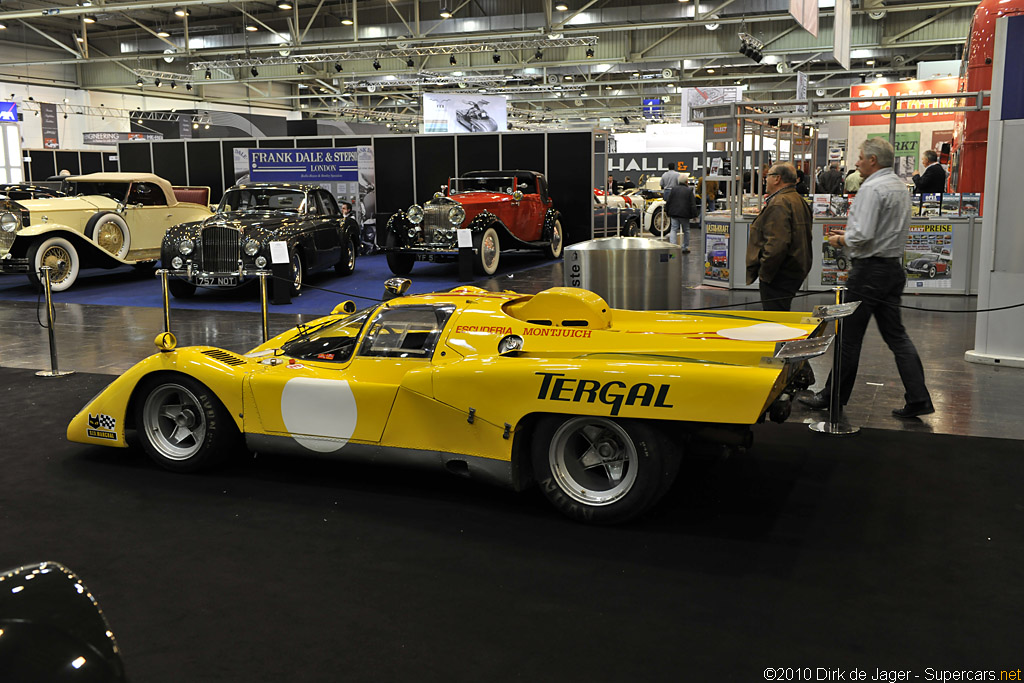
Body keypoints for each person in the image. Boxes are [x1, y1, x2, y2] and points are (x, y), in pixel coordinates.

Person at [800, 138, 933, 418]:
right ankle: (918, 397)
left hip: (869, 272)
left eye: (860, 157)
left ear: (873, 160)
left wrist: (840, 240)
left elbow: (863, 235)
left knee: (848, 338)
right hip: (892, 269)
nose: (857, 162)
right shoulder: (899, 186)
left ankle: (831, 396)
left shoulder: (872, 188)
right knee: (897, 337)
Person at [745, 162, 813, 311]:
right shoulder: (796, 199)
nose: (765, 179)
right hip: (793, 269)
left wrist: (765, 273)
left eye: (768, 176)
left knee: (775, 319)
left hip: (780, 273)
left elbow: (777, 244)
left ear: (777, 179)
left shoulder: (779, 203)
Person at [665, 178, 698, 253]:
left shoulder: (673, 189)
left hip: (674, 213)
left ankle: (673, 246)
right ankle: (685, 247)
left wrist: (667, 211)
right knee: (686, 230)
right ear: (686, 182)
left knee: (673, 229)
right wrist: (694, 215)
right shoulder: (689, 191)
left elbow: (669, 200)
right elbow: (692, 204)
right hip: (685, 214)